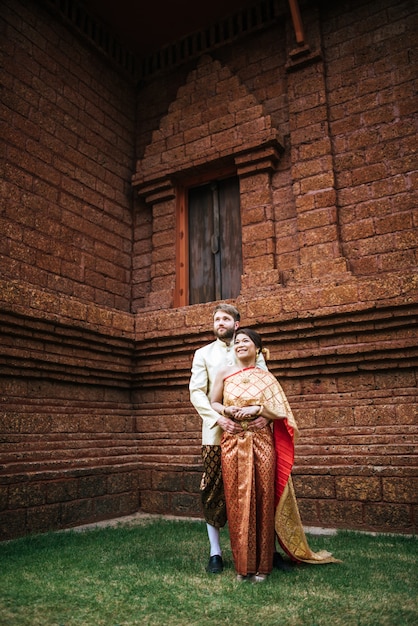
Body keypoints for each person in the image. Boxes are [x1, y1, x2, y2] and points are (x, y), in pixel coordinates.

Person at [210, 328, 339, 582]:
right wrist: (227, 410)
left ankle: (263, 568)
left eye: (246, 341)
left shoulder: (267, 378)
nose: (240, 344)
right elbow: (213, 402)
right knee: (237, 502)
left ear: (258, 349)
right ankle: (243, 567)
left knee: (264, 498)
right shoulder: (223, 374)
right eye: (237, 342)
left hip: (262, 444)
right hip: (233, 443)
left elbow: (283, 411)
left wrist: (261, 410)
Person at [189, 304, 266, 574]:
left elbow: (267, 386)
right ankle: (215, 552)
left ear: (237, 322)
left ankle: (264, 550)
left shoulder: (250, 348)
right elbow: (197, 392)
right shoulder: (203, 354)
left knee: (258, 488)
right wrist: (218, 418)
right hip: (215, 433)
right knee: (212, 487)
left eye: (225, 318)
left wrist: (266, 416)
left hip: (253, 432)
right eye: (216, 319)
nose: (220, 322)